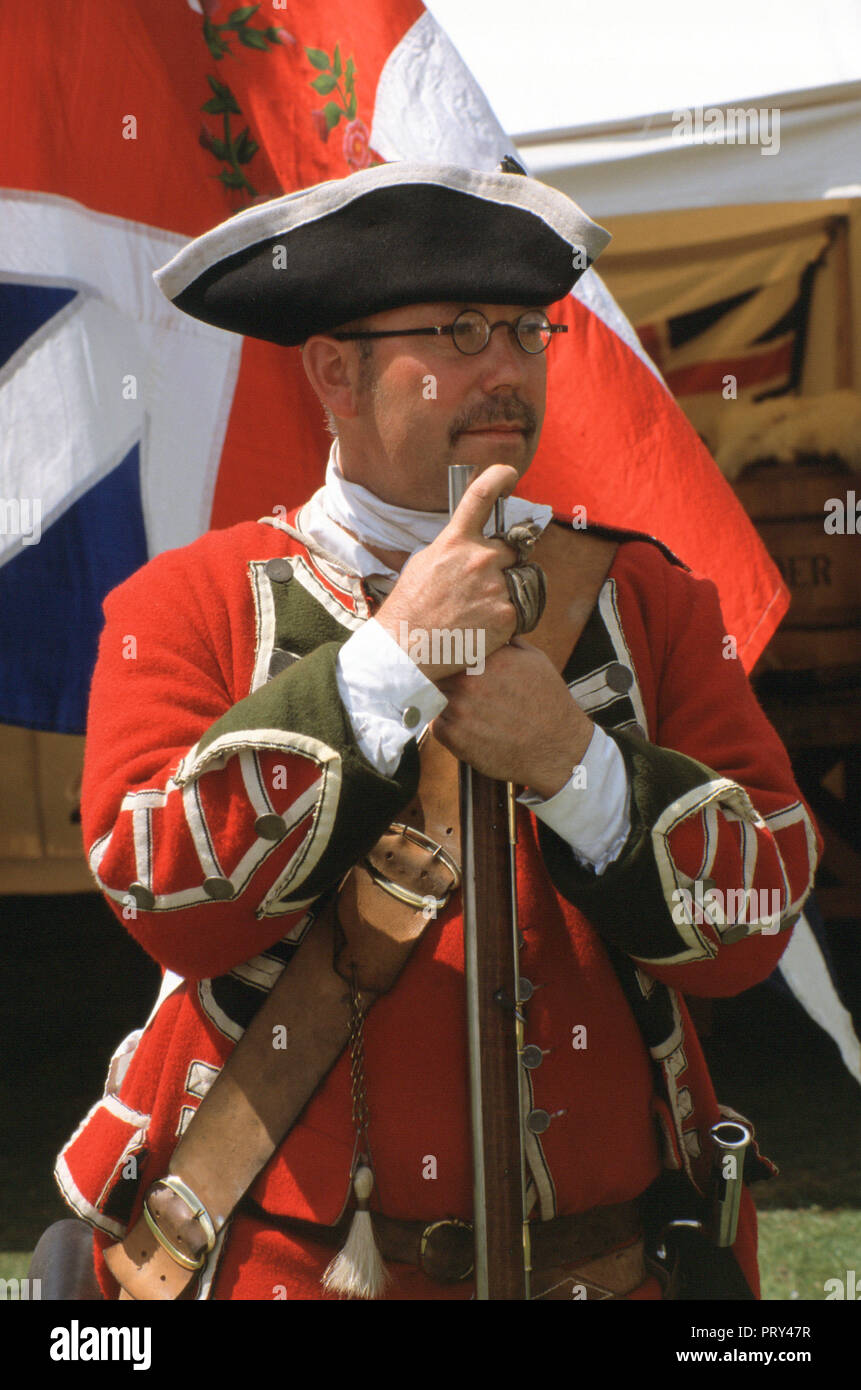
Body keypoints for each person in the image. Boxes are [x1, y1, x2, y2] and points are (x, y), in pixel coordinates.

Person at [53, 162, 819, 1301]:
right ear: (334, 372)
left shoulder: (652, 599)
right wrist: (386, 665)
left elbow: (757, 916)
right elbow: (164, 894)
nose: (508, 367)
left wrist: (579, 765)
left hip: (613, 1272)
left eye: (526, 329)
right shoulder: (187, 605)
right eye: (460, 332)